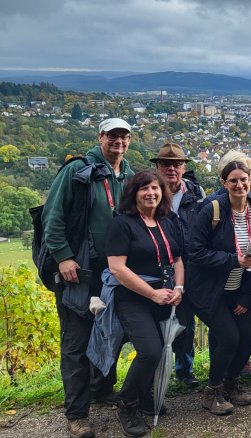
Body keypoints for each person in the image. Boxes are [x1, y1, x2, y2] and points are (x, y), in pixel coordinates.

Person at [42, 117, 135, 438]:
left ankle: (101, 388)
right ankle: (77, 414)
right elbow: (51, 217)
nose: (118, 142)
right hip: (79, 274)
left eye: (123, 136)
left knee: (108, 332)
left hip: (111, 277)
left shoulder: (130, 176)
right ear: (100, 137)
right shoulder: (77, 171)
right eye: (112, 136)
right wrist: (63, 257)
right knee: (77, 339)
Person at [187, 159, 251, 416]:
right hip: (209, 290)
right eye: (233, 180)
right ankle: (212, 391)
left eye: (243, 179)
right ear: (224, 183)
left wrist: (247, 295)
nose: (239, 184)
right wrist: (234, 259)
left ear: (250, 181)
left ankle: (231, 383)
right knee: (229, 337)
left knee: (247, 338)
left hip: (238, 288)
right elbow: (195, 251)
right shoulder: (212, 210)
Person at [105, 171, 184, 436]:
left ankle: (144, 394)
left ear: (163, 192)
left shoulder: (168, 220)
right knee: (150, 350)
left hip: (166, 295)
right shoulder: (123, 223)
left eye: (155, 188)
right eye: (144, 189)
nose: (151, 193)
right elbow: (116, 267)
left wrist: (179, 287)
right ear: (133, 193)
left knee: (162, 350)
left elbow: (178, 259)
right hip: (133, 297)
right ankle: (127, 403)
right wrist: (151, 293)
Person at [151, 143, 205, 388]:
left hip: (191, 265)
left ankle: (185, 370)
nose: (172, 169)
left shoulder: (196, 192)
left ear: (184, 167)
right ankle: (157, 375)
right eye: (166, 164)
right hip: (157, 266)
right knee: (157, 320)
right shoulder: (150, 191)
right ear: (157, 167)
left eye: (177, 164)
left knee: (186, 319)